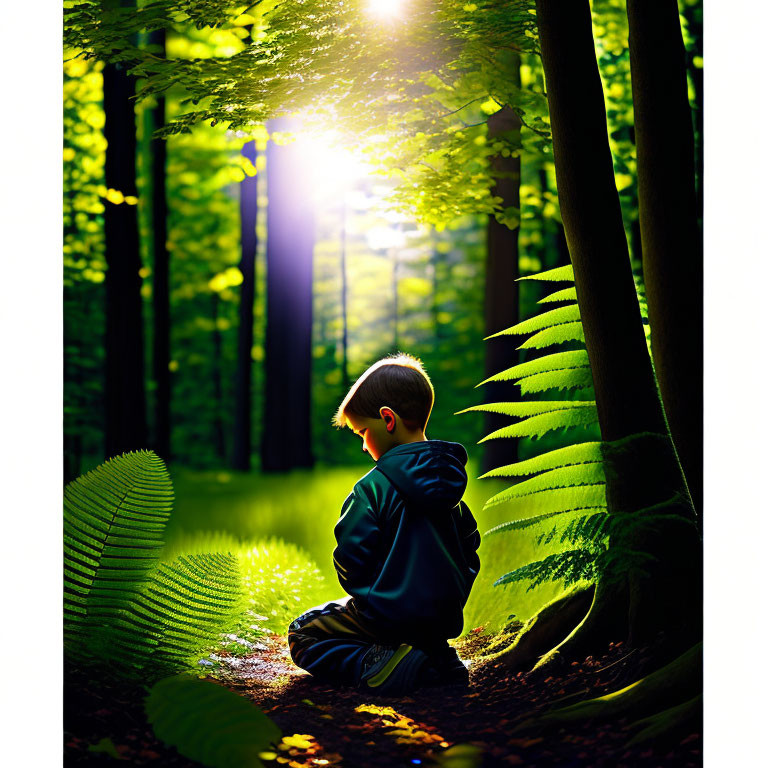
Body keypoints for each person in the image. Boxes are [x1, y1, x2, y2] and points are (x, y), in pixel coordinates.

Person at [287, 353, 481, 696]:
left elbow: (351, 555)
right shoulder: (454, 490)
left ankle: (376, 663)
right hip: (441, 618)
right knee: (424, 632)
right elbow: (470, 547)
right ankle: (436, 658)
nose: (363, 445)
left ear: (387, 420)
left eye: (363, 431)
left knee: (304, 632)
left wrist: (371, 597)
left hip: (385, 617)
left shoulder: (372, 488)